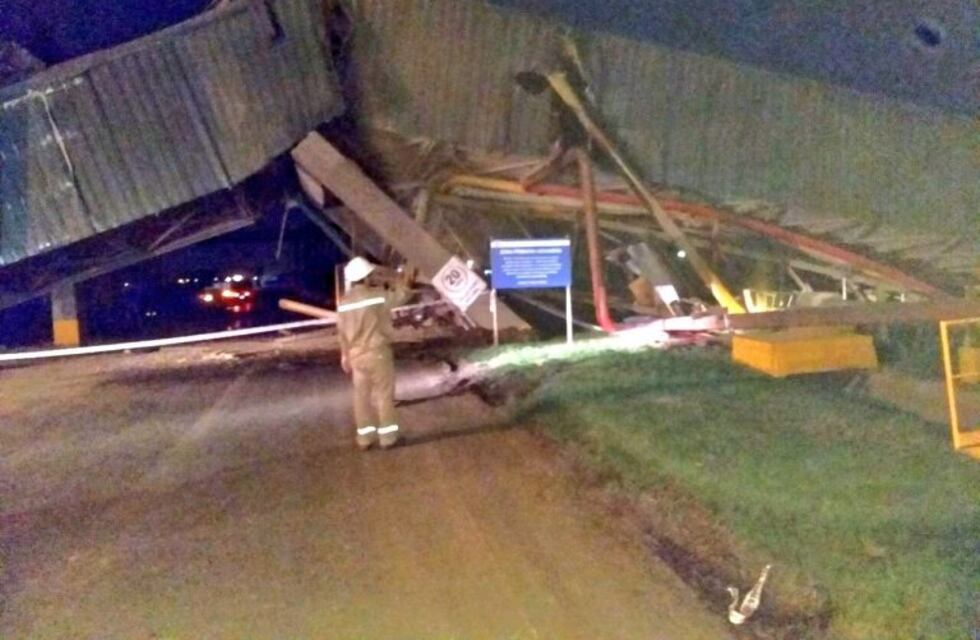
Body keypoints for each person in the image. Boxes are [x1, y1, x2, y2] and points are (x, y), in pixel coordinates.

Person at [337, 257, 411, 450]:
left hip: (356, 356)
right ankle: (388, 438)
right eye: (371, 275)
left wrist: (344, 355)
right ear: (366, 277)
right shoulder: (376, 296)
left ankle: (364, 439)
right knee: (384, 396)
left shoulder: (343, 302)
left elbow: (342, 332)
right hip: (376, 353)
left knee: (361, 398)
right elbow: (400, 297)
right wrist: (404, 281)